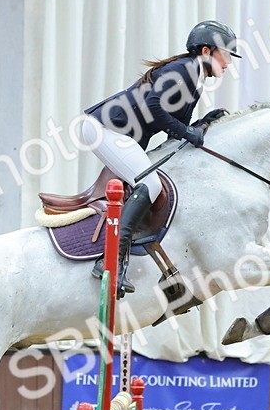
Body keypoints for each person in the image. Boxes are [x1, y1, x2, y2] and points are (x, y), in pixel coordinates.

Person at [81, 20, 240, 295]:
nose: (227, 63)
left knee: (150, 182)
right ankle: (111, 262)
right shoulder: (185, 70)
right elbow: (154, 107)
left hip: (119, 133)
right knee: (151, 185)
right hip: (103, 128)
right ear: (205, 50)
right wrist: (188, 132)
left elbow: (176, 133)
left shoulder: (194, 80)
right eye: (225, 55)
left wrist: (202, 125)